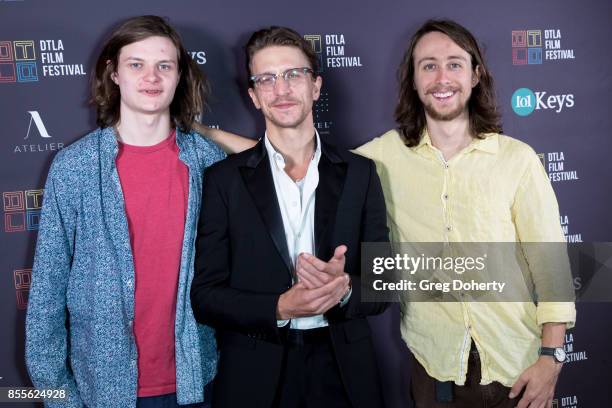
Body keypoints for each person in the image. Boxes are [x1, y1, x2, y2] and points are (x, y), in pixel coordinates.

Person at [354, 20, 576, 408]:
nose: (442, 78)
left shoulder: (516, 159)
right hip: (433, 370)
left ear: (476, 75)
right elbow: (303, 164)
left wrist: (551, 358)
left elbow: (552, 265)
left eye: (455, 64)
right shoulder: (381, 157)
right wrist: (213, 137)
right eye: (429, 65)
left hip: (517, 369)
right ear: (413, 79)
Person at [25, 15, 224, 408]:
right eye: (137, 64)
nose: (151, 77)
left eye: (164, 65)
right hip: (101, 390)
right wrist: (57, 395)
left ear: (180, 75)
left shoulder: (206, 162)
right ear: (113, 73)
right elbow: (47, 288)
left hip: (196, 382)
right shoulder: (75, 166)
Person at [190, 26, 388, 408]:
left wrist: (344, 286)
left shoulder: (361, 173)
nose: (281, 89)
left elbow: (385, 281)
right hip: (255, 374)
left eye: (293, 75)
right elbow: (205, 297)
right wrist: (279, 308)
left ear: (315, 87)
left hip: (345, 373)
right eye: (267, 79)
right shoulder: (223, 181)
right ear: (254, 96)